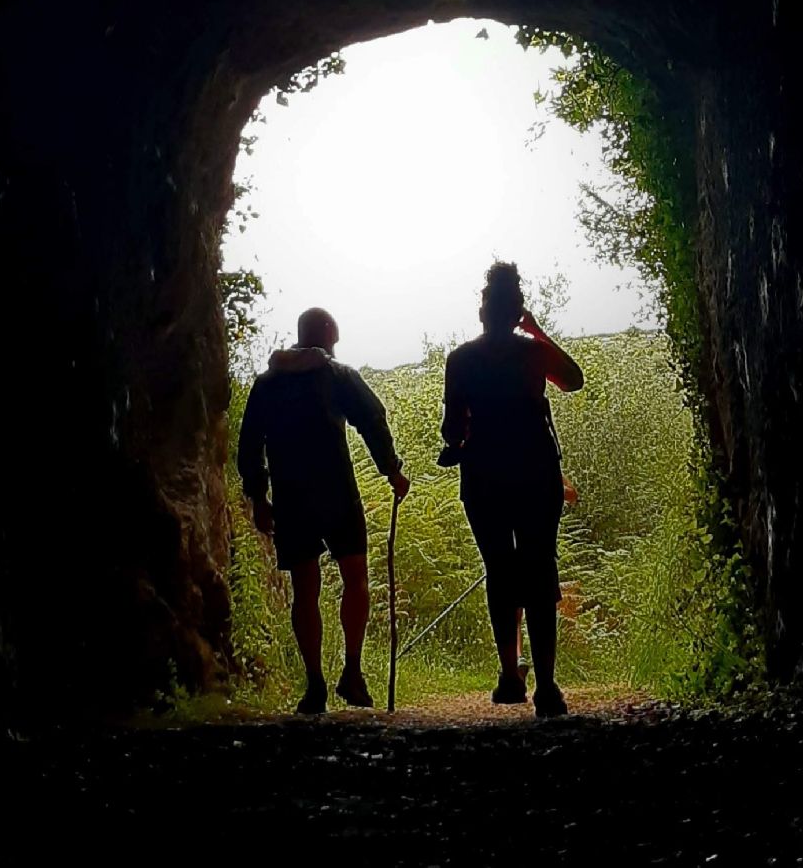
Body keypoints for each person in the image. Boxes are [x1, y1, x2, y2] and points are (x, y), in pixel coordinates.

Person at [238, 307, 410, 714]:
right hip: (337, 493)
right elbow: (372, 419)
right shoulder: (337, 375)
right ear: (330, 333)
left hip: (292, 497)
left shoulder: (267, 384)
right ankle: (352, 670)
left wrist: (259, 498)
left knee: (305, 590)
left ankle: (315, 683)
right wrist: (392, 470)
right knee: (355, 579)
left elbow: (249, 447)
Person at [440, 262, 584, 717]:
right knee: (540, 569)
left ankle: (509, 674)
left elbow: (451, 429)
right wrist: (538, 331)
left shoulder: (461, 359)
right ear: (517, 310)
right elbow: (573, 380)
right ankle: (547, 686)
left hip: (484, 477)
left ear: (482, 311)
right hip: (537, 474)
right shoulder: (531, 353)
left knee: (500, 570)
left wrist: (460, 439)